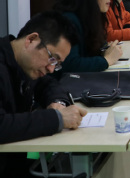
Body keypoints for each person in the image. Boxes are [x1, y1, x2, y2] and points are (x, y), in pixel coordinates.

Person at [0, 12, 88, 177]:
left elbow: (48, 84)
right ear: (31, 40)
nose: (51, 69)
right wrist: (56, 118)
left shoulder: (24, 64)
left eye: (57, 64)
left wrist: (58, 103)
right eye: (52, 58)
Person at [53, 0, 123, 73]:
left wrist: (104, 51)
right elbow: (70, 64)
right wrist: (106, 60)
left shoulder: (89, 17)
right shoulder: (68, 20)